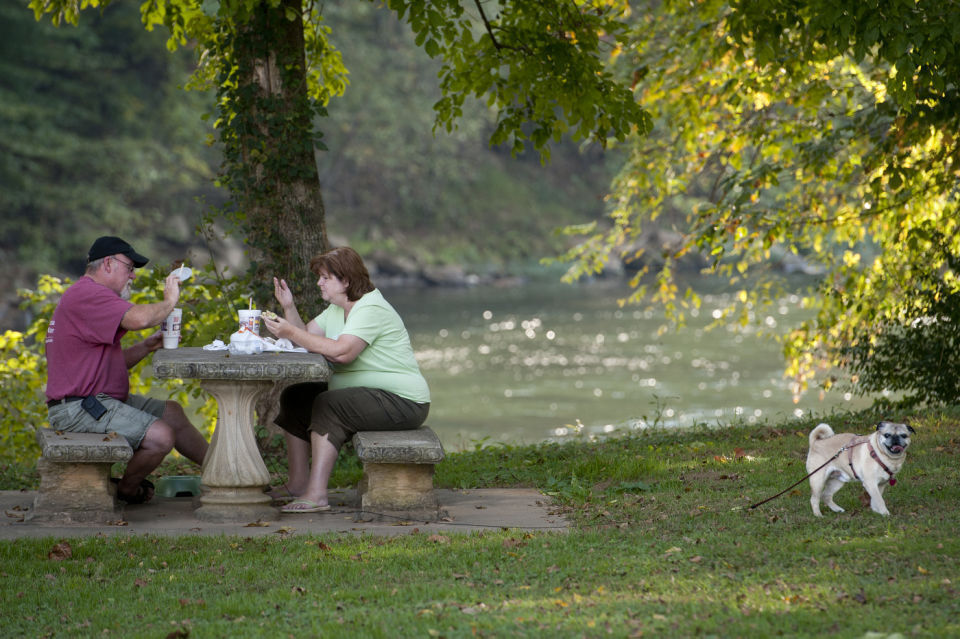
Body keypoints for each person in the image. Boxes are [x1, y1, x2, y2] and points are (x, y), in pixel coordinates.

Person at [262, 246, 430, 513]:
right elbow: (307, 337)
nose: (319, 283)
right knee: (296, 397)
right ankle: (297, 484)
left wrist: (291, 332)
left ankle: (317, 495)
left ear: (346, 281)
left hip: (403, 402)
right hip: (370, 395)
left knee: (329, 404)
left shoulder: (370, 307)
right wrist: (289, 307)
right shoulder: (337, 309)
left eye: (325, 278)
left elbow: (343, 353)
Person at [45, 236, 209, 504]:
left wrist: (146, 346)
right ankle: (126, 491)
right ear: (108, 263)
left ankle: (223, 475)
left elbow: (109, 364)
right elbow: (140, 318)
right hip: (77, 408)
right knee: (161, 436)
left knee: (173, 414)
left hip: (94, 400)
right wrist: (169, 302)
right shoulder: (89, 294)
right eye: (129, 267)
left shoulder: (88, 296)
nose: (132, 276)